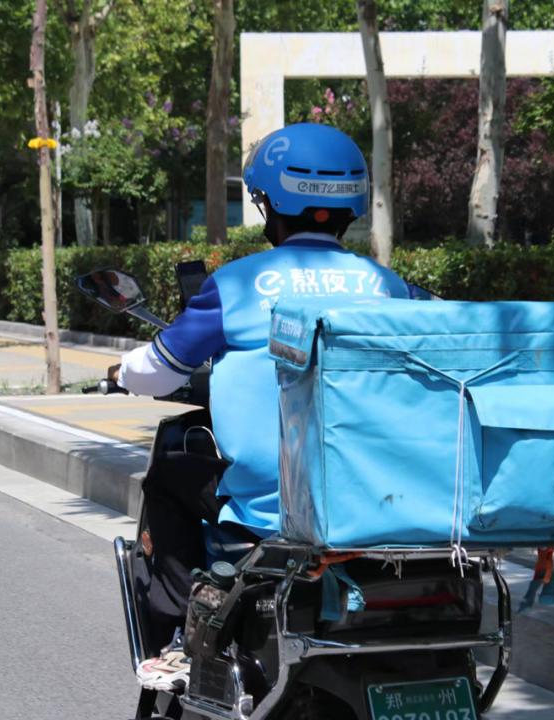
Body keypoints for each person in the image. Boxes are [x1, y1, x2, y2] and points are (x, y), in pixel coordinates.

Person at [109, 123, 411, 691]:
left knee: (169, 473)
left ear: (269, 203)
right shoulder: (389, 286)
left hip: (275, 510)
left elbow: (159, 370)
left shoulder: (237, 284)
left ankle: (180, 636)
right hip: (380, 502)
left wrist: (119, 372)